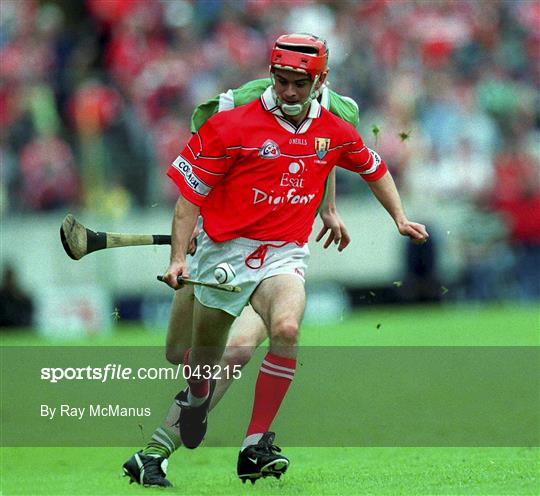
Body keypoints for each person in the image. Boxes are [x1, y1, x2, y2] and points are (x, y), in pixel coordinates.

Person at [125, 33, 427, 487]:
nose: (289, 91)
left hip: (283, 250)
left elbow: (338, 156)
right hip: (220, 246)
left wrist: (345, 210)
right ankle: (188, 406)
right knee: (186, 357)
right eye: (282, 80)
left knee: (270, 335)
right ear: (272, 73)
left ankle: (234, 447)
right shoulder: (236, 107)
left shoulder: (340, 113)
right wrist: (183, 244)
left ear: (320, 79)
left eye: (300, 84)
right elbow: (197, 175)